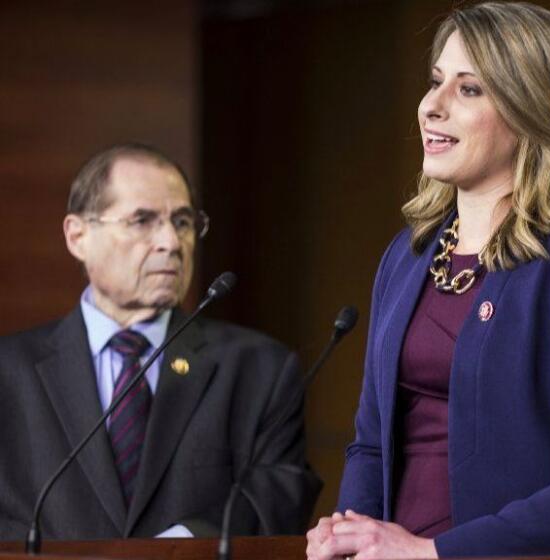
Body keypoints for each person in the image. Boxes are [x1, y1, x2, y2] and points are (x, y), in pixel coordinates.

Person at [306, 3, 550, 558]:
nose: (432, 106)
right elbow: (371, 445)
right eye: (435, 81)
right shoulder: (408, 254)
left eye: (469, 89)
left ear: (533, 110)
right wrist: (351, 535)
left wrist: (433, 554)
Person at [0, 144, 321, 540]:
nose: (171, 242)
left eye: (183, 222)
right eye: (142, 221)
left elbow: (278, 499)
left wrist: (178, 548)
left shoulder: (259, 369)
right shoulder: (8, 373)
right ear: (78, 236)